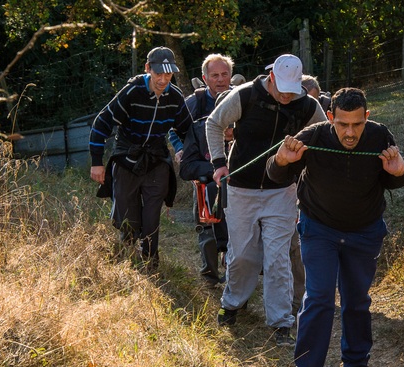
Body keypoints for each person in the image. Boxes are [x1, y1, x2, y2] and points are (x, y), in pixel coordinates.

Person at [265, 87, 404, 367]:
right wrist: (281, 159)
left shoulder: (380, 135)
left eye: (357, 124)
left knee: (357, 299)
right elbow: (277, 175)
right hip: (320, 229)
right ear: (331, 117)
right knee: (319, 298)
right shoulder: (313, 136)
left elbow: (394, 178)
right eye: (342, 124)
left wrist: (400, 172)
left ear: (366, 118)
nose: (349, 132)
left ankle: (356, 366)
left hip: (364, 231)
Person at [206, 54, 326, 347]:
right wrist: (219, 163)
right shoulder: (245, 95)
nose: (286, 96)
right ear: (271, 78)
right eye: (281, 89)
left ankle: (281, 323)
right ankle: (232, 303)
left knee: (277, 258)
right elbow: (213, 123)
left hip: (281, 191)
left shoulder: (308, 105)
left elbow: (324, 135)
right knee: (244, 254)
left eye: (291, 90)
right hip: (241, 188)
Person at [90, 46, 193, 268]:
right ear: (148, 69)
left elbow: (186, 130)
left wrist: (193, 155)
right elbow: (102, 123)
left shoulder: (175, 97)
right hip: (128, 154)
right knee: (127, 213)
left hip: (156, 158)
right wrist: (97, 162)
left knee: (152, 212)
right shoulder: (131, 92)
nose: (164, 79)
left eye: (168, 74)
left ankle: (150, 260)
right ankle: (127, 253)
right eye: (159, 74)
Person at [177, 54, 235, 285]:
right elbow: (176, 129)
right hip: (206, 172)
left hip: (238, 181)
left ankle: (236, 277)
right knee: (207, 225)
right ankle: (210, 273)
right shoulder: (194, 104)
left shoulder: (243, 98)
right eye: (215, 75)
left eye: (224, 74)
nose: (220, 79)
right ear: (205, 78)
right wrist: (181, 148)